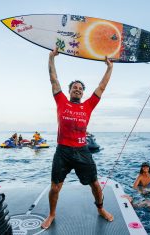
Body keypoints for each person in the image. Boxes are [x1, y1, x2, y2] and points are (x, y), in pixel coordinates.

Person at [41, 48, 114, 229]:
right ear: (70, 90)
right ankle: (51, 214)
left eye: (81, 89)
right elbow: (53, 79)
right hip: (63, 150)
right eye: (75, 87)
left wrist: (109, 68)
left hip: (82, 151)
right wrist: (51, 58)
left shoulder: (88, 105)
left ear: (82, 93)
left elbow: (102, 87)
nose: (78, 90)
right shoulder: (61, 101)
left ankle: (100, 209)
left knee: (96, 185)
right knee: (55, 187)